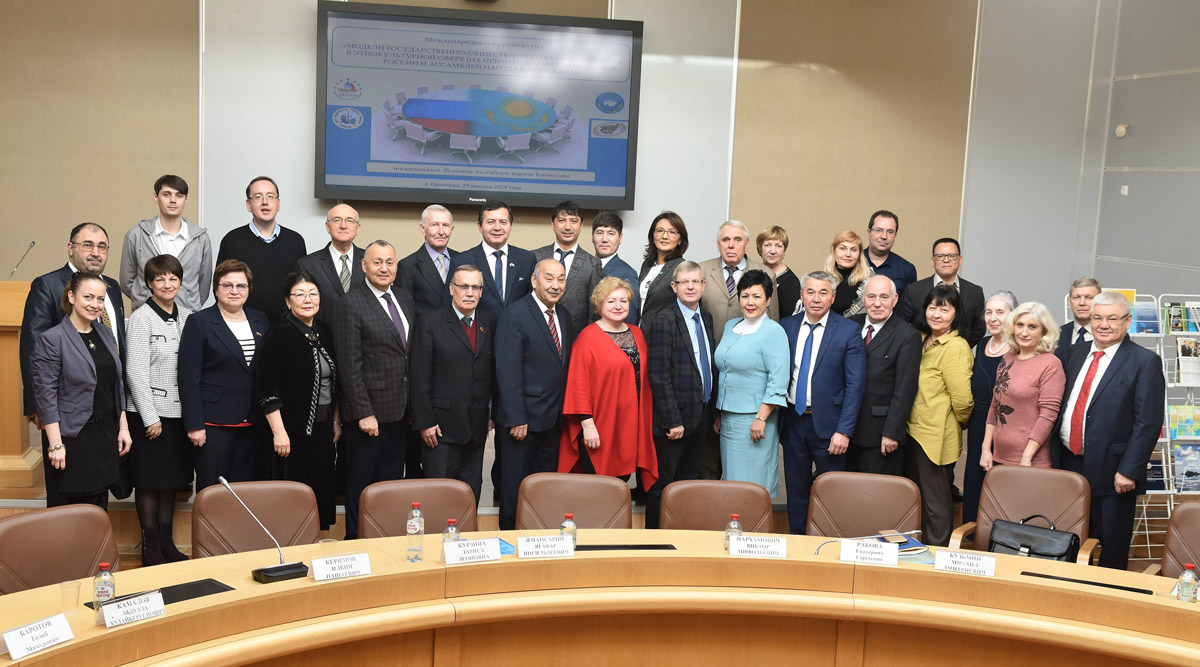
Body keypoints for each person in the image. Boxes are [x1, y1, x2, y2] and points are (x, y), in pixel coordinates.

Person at [1053, 292, 1164, 570]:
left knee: (1111, 547)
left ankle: (1108, 594)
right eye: (1097, 318)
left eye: (1112, 318)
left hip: (1114, 471)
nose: (1103, 325)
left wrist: (1129, 470)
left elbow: (1148, 423)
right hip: (1069, 463)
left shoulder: (1144, 361)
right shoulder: (1075, 353)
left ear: (1127, 321)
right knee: (1069, 539)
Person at [20, 223, 126, 505]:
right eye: (87, 245)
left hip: (104, 417)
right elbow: (33, 347)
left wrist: (121, 419)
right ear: (71, 248)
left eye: (102, 246)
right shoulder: (48, 284)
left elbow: (117, 348)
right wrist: (36, 407)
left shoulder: (113, 288)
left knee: (98, 503)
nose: (95, 252)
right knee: (67, 505)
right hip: (67, 418)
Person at [334, 241, 416, 539]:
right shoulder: (351, 303)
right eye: (377, 262)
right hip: (369, 416)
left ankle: (385, 540)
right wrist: (363, 413)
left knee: (390, 484)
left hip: (400, 412)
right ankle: (356, 541)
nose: (384, 268)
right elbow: (349, 365)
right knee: (361, 484)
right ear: (364, 266)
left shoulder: (404, 298)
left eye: (389, 262)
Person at [779, 271, 866, 533]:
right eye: (810, 292)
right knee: (796, 491)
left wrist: (844, 431)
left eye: (823, 292)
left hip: (831, 427)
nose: (816, 299)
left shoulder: (848, 330)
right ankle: (797, 541)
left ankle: (827, 545)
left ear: (833, 296)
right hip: (793, 421)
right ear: (802, 295)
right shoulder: (787, 325)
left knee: (831, 493)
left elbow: (855, 386)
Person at [255, 272, 340, 531]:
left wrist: (336, 421)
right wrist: (279, 433)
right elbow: (265, 388)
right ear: (287, 301)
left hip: (322, 431)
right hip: (290, 434)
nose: (307, 300)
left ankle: (316, 546)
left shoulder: (323, 331)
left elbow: (334, 382)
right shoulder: (279, 334)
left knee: (319, 492)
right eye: (300, 294)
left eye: (313, 294)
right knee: (292, 499)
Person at [494, 259, 573, 530]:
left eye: (561, 279)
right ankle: (510, 540)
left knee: (543, 489)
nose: (555, 285)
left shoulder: (564, 315)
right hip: (522, 421)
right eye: (549, 278)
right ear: (534, 281)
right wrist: (516, 417)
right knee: (514, 488)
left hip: (553, 420)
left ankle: (538, 540)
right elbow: (508, 371)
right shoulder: (515, 314)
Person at [559, 277, 657, 491]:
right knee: (597, 487)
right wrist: (588, 425)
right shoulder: (587, 338)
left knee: (619, 483)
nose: (618, 306)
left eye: (623, 301)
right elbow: (578, 385)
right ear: (599, 304)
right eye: (611, 301)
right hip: (600, 424)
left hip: (629, 424)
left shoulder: (637, 333)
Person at [124, 255, 192, 565]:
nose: (167, 284)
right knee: (149, 481)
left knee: (170, 481)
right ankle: (150, 546)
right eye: (160, 279)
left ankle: (167, 543)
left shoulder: (188, 317)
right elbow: (135, 373)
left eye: (173, 278)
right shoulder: (141, 318)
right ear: (150, 283)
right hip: (149, 415)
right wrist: (150, 417)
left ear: (180, 282)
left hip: (179, 415)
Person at [179, 259, 270, 490]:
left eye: (241, 286)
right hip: (213, 424)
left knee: (245, 491)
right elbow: (188, 378)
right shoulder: (199, 321)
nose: (234, 291)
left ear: (249, 289)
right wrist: (194, 425)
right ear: (216, 289)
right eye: (227, 285)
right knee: (213, 490)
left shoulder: (260, 319)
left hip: (252, 422)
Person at [410, 265, 497, 504]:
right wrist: (425, 422)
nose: (470, 293)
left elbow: (492, 372)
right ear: (451, 288)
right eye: (463, 286)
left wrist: (492, 413)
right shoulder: (430, 323)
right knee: (438, 498)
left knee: (470, 496)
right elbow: (419, 377)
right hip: (439, 430)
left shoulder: (489, 321)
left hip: (476, 428)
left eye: (476, 287)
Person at [645, 261, 718, 528]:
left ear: (703, 286)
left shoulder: (705, 318)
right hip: (673, 422)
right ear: (674, 287)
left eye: (695, 281)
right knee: (663, 486)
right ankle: (653, 542)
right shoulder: (663, 320)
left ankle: (680, 539)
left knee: (688, 486)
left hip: (700, 416)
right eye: (684, 282)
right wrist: (672, 420)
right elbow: (658, 375)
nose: (690, 287)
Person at [905, 284, 974, 546]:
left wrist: (955, 424)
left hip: (935, 435)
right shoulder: (921, 338)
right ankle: (918, 552)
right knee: (917, 499)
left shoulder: (956, 346)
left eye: (944, 309)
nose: (936, 314)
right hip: (912, 430)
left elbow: (963, 401)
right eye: (932, 307)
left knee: (935, 503)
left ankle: (937, 554)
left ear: (956, 314)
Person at [712, 270, 789, 497]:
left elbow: (778, 380)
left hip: (755, 420)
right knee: (732, 483)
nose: (750, 302)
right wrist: (720, 413)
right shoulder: (731, 326)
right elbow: (726, 371)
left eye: (757, 296)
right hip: (728, 418)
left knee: (752, 487)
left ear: (768, 299)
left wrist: (760, 418)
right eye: (745, 296)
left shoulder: (774, 331)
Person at [847, 275, 921, 476]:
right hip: (846, 431)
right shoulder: (850, 326)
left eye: (884, 297)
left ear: (895, 300)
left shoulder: (907, 335)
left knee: (877, 492)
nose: (877, 303)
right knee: (846, 490)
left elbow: (905, 390)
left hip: (880, 434)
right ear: (863, 299)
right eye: (871, 296)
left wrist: (892, 433)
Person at [980, 302, 1065, 472]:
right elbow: (995, 405)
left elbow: (1048, 416)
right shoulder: (1008, 358)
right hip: (999, 455)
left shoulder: (1051, 364)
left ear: (1043, 332)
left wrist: (1026, 457)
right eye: (1020, 325)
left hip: (1031, 461)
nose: (1024, 332)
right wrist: (986, 448)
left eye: (1032, 327)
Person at [216, 176, 307, 323]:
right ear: (248, 204)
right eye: (258, 197)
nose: (265, 202)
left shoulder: (295, 241)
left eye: (270, 196)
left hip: (287, 326)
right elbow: (220, 287)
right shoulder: (232, 240)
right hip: (243, 324)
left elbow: (302, 286)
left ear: (278, 204)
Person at [962, 290, 1017, 524]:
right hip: (978, 423)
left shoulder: (1019, 349)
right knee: (975, 480)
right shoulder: (982, 344)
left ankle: (998, 537)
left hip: (1007, 425)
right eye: (988, 312)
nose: (993, 318)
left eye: (1000, 312)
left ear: (1013, 315)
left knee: (1002, 486)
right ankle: (971, 534)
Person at [120, 174, 213, 312]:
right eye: (166, 194)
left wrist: (188, 303)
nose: (173, 200)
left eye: (179, 195)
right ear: (156, 197)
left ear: (186, 199)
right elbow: (126, 282)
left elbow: (203, 286)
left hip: (188, 315)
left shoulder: (201, 239)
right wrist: (143, 297)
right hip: (147, 314)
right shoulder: (136, 235)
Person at [447, 200, 535, 317]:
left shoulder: (527, 259)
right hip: (478, 327)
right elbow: (449, 305)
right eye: (491, 222)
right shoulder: (461, 260)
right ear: (480, 226)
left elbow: (533, 302)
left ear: (511, 226)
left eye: (503, 222)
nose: (497, 228)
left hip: (517, 327)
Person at [896, 237, 986, 346]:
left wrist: (959, 347)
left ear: (960, 260)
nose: (946, 260)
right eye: (940, 256)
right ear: (933, 261)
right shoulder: (914, 290)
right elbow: (900, 325)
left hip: (958, 352)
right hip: (921, 352)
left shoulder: (974, 292)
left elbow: (978, 330)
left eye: (952, 256)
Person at [700, 220, 778, 345]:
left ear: (746, 245)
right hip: (708, 349)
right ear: (718, 245)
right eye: (725, 239)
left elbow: (773, 320)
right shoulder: (701, 271)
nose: (731, 245)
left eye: (737, 240)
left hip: (749, 350)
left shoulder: (767, 274)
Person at [534, 201, 603, 335]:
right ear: (553, 224)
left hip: (575, 337)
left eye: (573, 221)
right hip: (537, 333)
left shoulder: (593, 264)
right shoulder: (535, 257)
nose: (567, 227)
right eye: (562, 220)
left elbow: (594, 311)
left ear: (581, 225)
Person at [295, 203, 365, 323]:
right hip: (323, 333)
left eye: (349, 220)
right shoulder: (307, 264)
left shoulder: (370, 261)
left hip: (363, 333)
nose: (343, 226)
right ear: (327, 227)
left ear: (358, 228)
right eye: (337, 220)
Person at [397, 204, 457, 318]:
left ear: (452, 229)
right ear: (423, 228)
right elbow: (404, 313)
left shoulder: (462, 260)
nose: (441, 231)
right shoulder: (407, 266)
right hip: (426, 329)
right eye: (435, 225)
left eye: (445, 225)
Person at [638, 211, 689, 323]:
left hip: (663, 330)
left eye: (672, 232)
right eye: (660, 231)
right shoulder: (647, 264)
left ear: (680, 239)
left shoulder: (682, 268)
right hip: (640, 329)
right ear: (652, 235)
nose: (665, 236)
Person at [591, 211, 639, 324]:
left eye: (611, 234)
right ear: (592, 237)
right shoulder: (583, 266)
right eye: (599, 233)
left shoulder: (627, 273)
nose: (604, 239)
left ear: (620, 238)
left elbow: (629, 318)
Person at [863, 210, 917, 297]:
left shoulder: (907, 269)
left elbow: (910, 304)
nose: (884, 236)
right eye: (879, 230)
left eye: (890, 232)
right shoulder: (853, 261)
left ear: (895, 235)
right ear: (869, 233)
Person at [823, 230, 873, 318]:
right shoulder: (823, 279)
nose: (848, 254)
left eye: (854, 250)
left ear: (859, 254)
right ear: (834, 251)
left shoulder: (870, 282)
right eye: (843, 248)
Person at [756, 226, 800, 318]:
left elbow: (790, 320)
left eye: (778, 246)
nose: (772, 251)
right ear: (760, 248)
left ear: (784, 250)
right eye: (767, 245)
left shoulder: (791, 282)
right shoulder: (752, 274)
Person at [1057, 277, 1101, 363]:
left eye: (1089, 297)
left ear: (1099, 301)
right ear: (1069, 301)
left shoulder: (1109, 334)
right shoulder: (1056, 335)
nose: (1082, 303)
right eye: (1076, 297)